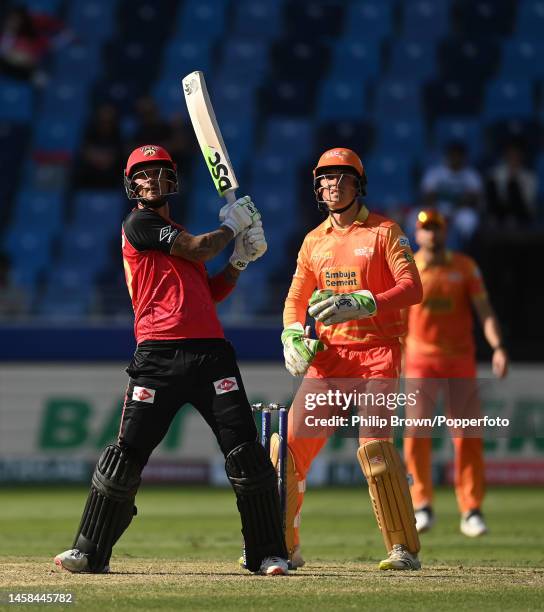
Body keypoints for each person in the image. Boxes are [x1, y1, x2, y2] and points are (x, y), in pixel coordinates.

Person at [54, 144, 289, 576]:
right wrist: (232, 228)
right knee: (126, 455)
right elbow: (200, 247)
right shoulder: (139, 223)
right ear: (132, 184)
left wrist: (238, 261)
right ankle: (89, 552)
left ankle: (269, 554)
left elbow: (211, 292)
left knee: (244, 453)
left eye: (157, 172)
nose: (149, 180)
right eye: (141, 174)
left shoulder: (175, 232)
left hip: (210, 354)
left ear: (171, 180)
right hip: (157, 356)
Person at [280, 147, 423, 570]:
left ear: (357, 184)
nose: (332, 184)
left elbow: (413, 288)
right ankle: (283, 545)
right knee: (285, 450)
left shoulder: (385, 232)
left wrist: (367, 302)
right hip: (329, 361)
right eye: (325, 178)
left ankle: (402, 549)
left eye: (342, 177)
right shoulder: (313, 241)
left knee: (376, 450)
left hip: (377, 355)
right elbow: (295, 299)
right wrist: (291, 335)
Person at [403, 209, 508, 537]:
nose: (431, 234)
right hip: (419, 361)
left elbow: (485, 311)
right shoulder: (408, 268)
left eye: (436, 227)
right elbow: (395, 318)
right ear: (417, 234)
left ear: (445, 232)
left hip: (459, 362)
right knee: (416, 437)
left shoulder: (464, 267)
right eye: (425, 228)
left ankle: (471, 509)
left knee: (467, 438)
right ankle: (421, 505)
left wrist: (498, 347)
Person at [420, 141, 483, 251]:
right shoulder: (436, 173)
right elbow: (427, 196)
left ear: (464, 157)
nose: (456, 158)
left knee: (469, 219)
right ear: (447, 156)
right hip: (437, 210)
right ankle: (416, 253)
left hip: (460, 212)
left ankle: (464, 252)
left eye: (459, 155)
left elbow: (476, 198)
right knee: (415, 217)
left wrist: (462, 203)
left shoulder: (471, 175)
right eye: (453, 155)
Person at [485, 140, 538, 228]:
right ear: (506, 156)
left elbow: (529, 201)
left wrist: (514, 179)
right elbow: (493, 197)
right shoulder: (496, 173)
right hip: (501, 210)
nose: (513, 158)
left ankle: (512, 218)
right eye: (511, 155)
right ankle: (495, 219)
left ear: (521, 156)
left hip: (521, 211)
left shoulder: (529, 176)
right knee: (492, 182)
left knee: (512, 185)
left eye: (516, 155)